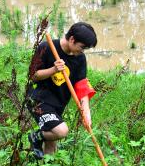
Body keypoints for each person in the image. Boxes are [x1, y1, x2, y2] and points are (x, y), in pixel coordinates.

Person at [27, 22, 98, 158]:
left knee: (52, 143)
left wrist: (86, 112)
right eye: (82, 47)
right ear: (72, 39)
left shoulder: (80, 58)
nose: (82, 51)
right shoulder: (47, 47)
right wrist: (53, 70)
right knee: (60, 131)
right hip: (37, 99)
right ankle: (35, 136)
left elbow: (81, 85)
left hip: (58, 103)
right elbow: (33, 76)